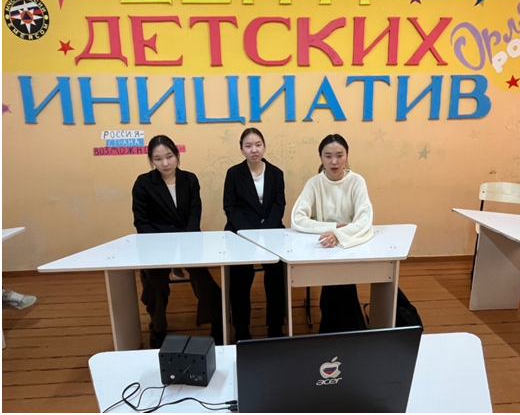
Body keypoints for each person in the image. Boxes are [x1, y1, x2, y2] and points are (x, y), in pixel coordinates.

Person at [132, 135, 223, 348]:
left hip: (188, 241)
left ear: (177, 155)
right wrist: (164, 246)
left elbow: (194, 215)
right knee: (155, 282)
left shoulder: (189, 180)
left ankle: (217, 322)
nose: (165, 163)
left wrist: (186, 243)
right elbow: (141, 222)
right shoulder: (143, 183)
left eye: (169, 156)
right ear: (151, 160)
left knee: (204, 279)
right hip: (157, 245)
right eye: (158, 159)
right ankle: (158, 326)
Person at [291, 134, 373, 334]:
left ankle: (332, 331)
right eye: (328, 156)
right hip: (324, 246)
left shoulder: (357, 181)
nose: (334, 161)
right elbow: (297, 218)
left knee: (340, 284)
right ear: (321, 157)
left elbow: (365, 219)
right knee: (339, 285)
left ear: (347, 156)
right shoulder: (314, 183)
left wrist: (339, 234)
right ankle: (349, 331)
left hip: (350, 245)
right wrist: (333, 228)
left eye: (339, 155)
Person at [223, 128, 287, 341]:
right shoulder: (234, 173)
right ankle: (241, 327)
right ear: (241, 148)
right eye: (248, 146)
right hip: (240, 232)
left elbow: (279, 205)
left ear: (264, 146)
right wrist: (249, 233)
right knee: (240, 277)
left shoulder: (276, 173)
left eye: (258, 145)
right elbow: (230, 207)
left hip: (271, 230)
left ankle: (275, 326)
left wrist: (265, 231)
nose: (254, 150)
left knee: (277, 275)